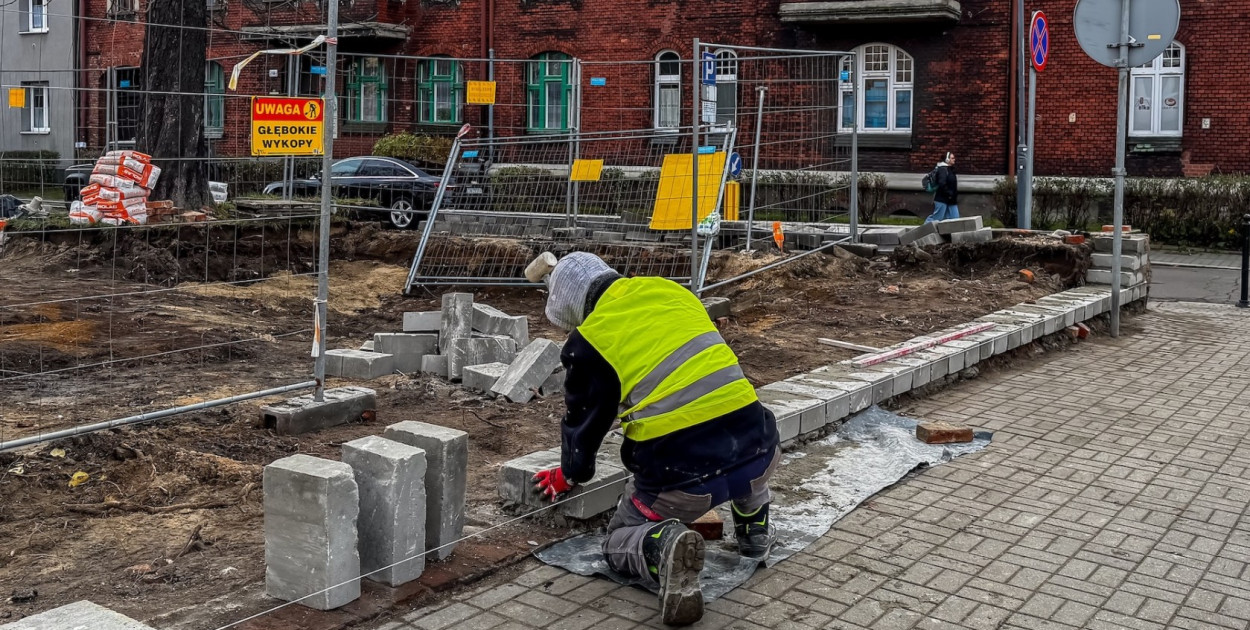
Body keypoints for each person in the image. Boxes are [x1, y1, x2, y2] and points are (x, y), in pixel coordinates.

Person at [530, 252, 780, 626]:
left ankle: (663, 545)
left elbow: (585, 425)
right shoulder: (670, 291)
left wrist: (571, 474)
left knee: (619, 538)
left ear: (575, 309)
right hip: (761, 446)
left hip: (683, 480)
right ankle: (755, 533)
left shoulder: (591, 339)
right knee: (740, 454)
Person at [925, 152, 959, 222]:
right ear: (947, 160)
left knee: (955, 220)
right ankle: (923, 230)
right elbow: (942, 183)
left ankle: (950, 232)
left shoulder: (950, 170)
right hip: (942, 199)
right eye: (952, 158)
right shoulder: (942, 170)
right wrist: (949, 193)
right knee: (936, 219)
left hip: (951, 200)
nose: (954, 159)